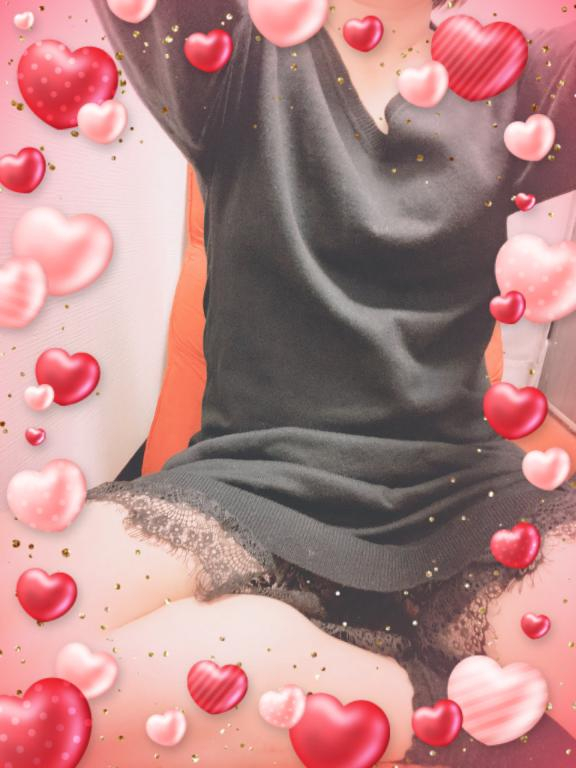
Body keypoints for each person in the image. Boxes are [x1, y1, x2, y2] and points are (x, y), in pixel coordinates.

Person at [13, 0, 576, 764]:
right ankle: (406, 701)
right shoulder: (231, 48)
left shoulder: (524, 74)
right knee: (26, 641)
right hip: (250, 489)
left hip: (464, 496)